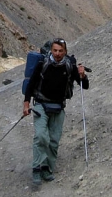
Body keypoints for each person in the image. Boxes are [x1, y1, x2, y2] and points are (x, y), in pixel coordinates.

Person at [23, 38, 88, 184]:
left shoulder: (69, 66)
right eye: (55, 50)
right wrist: (26, 104)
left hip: (59, 107)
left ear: (65, 51)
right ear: (51, 50)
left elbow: (85, 85)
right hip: (41, 104)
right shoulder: (42, 64)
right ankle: (37, 168)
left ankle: (47, 169)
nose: (58, 54)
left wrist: (82, 74)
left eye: (60, 51)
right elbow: (31, 84)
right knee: (41, 136)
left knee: (53, 141)